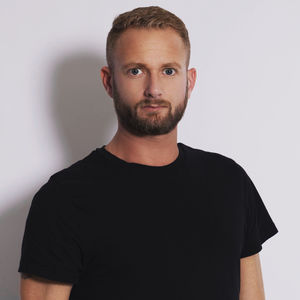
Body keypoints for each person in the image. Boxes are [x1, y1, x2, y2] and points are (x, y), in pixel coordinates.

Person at [18, 6, 279, 300]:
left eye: (168, 71)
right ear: (108, 81)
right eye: (136, 70)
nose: (153, 89)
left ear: (189, 81)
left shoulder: (230, 181)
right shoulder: (62, 200)